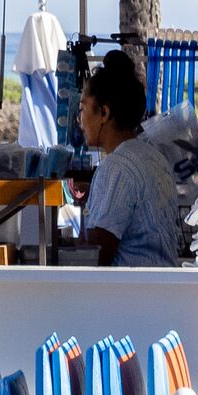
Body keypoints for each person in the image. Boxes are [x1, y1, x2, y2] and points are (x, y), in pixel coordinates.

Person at [74, 55, 186, 266]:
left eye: (83, 109)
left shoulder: (115, 167)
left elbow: (97, 253)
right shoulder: (153, 156)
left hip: (133, 285)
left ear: (104, 113)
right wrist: (94, 193)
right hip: (162, 281)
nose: (80, 119)